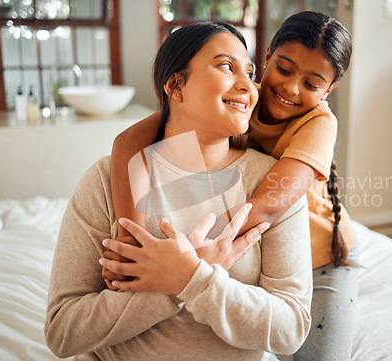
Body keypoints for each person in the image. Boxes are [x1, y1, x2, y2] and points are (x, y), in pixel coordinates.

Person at [45, 22, 312, 361]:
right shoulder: (105, 179)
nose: (249, 85)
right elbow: (62, 331)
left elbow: (291, 331)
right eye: (227, 67)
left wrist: (193, 278)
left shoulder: (274, 185)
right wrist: (177, 285)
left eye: (250, 71)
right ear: (176, 85)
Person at [105, 11, 358, 361]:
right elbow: (128, 141)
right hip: (258, 249)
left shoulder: (320, 123)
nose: (291, 88)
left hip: (320, 256)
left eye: (312, 84)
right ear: (268, 55)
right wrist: (128, 241)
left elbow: (270, 202)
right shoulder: (240, 96)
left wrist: (187, 264)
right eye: (283, 69)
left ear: (329, 90)